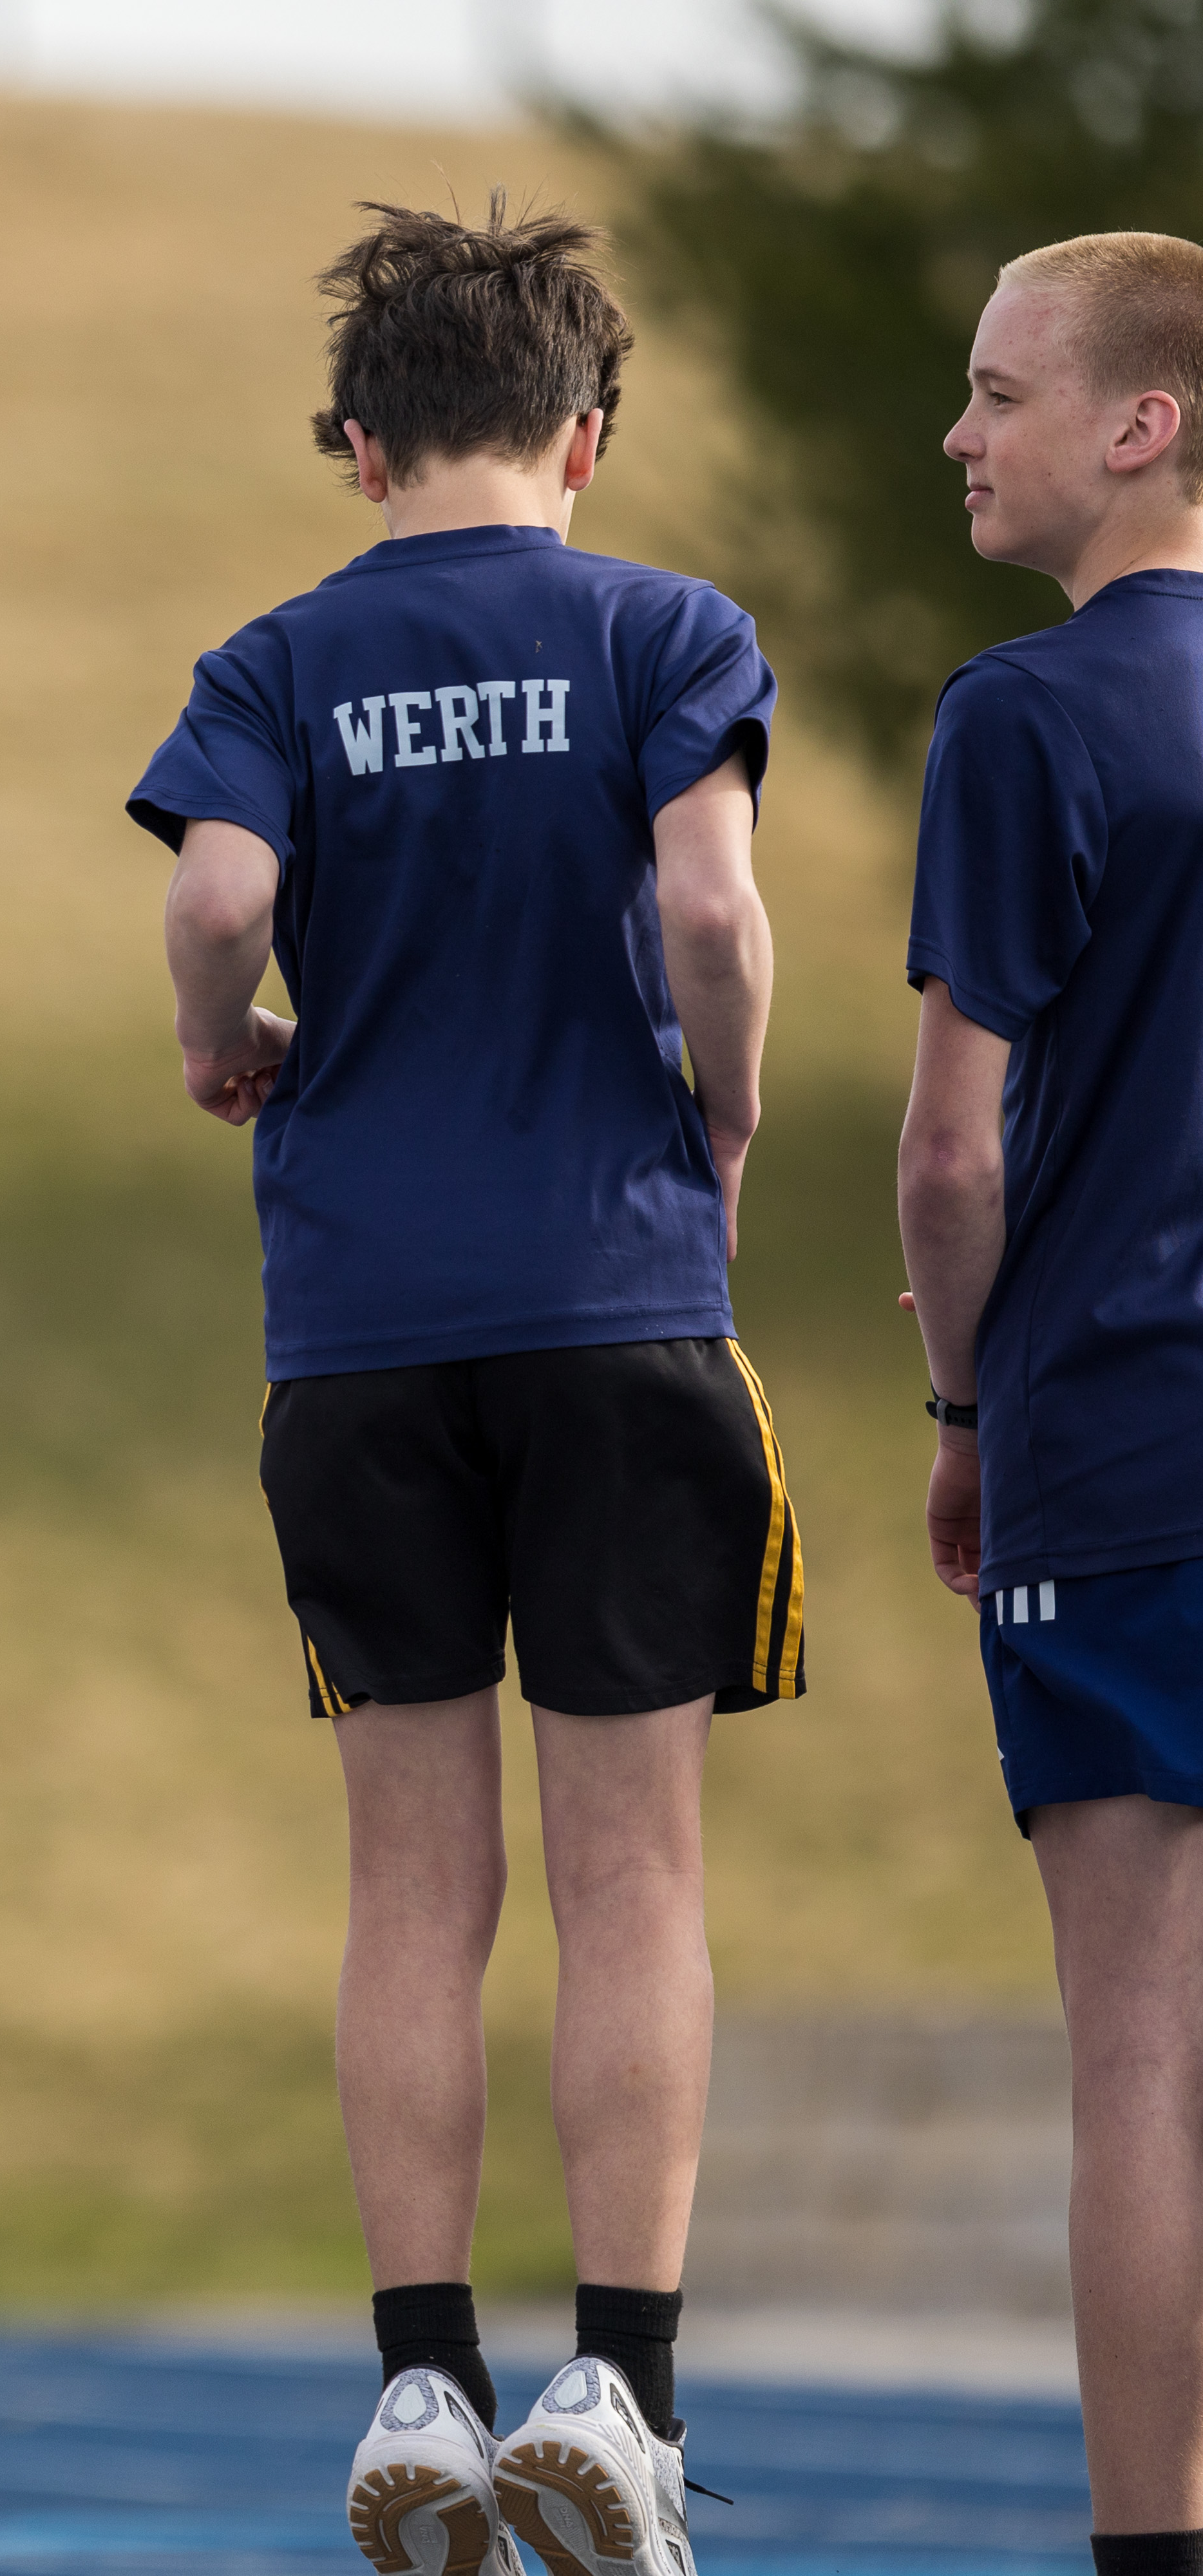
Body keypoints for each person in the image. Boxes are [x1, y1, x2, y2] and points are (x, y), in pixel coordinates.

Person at [129, 202, 798, 2576]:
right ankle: (623, 2390)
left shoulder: (276, 660)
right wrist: (725, 1110)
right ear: (586, 436)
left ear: (358, 443)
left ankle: (422, 2374)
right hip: (612, 1300)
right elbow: (710, 911)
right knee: (635, 1875)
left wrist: (227, 1043)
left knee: (414, 1885)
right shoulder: (665, 631)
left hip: (361, 1336)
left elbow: (218, 903)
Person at [897, 232, 1203, 2576]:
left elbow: (948, 1154)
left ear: (1141, 422)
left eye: (1002, 394)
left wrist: (955, 1409)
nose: (959, 433)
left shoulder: (1024, 718)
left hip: (1118, 1443)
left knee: (1146, 2057)